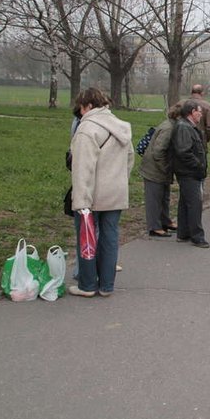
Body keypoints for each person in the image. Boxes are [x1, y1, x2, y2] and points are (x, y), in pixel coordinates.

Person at [69, 88, 134, 297]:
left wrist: (80, 200)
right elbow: (130, 158)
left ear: (86, 105)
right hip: (116, 191)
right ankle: (107, 285)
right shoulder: (120, 125)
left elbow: (82, 169)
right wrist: (119, 180)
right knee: (110, 237)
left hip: (93, 193)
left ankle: (87, 285)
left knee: (87, 237)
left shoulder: (87, 129)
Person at [139, 102, 181, 237]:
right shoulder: (169, 128)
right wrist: (164, 168)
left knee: (164, 197)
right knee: (154, 199)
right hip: (154, 169)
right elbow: (158, 151)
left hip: (161, 168)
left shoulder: (171, 125)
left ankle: (165, 221)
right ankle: (154, 227)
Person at [172, 100, 209, 248]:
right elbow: (184, 152)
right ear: (192, 112)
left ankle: (183, 233)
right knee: (195, 204)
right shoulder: (183, 127)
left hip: (189, 171)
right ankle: (197, 236)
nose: (201, 114)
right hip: (189, 172)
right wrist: (199, 165)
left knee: (186, 203)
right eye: (199, 111)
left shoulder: (188, 127)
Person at [189, 84, 210, 149]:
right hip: (200, 139)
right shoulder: (207, 106)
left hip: (184, 138)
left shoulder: (183, 103)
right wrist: (205, 138)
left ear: (191, 92)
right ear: (202, 93)